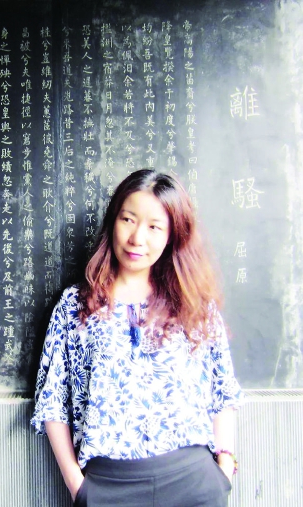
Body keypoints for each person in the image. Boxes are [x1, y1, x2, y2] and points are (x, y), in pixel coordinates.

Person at [31, 169, 244, 507]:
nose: (137, 238)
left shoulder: (194, 304)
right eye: (128, 220)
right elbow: (53, 401)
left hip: (193, 482)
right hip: (108, 488)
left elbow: (223, 391)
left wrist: (225, 466)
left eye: (154, 227)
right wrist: (78, 486)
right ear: (113, 221)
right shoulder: (75, 305)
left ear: (173, 235)